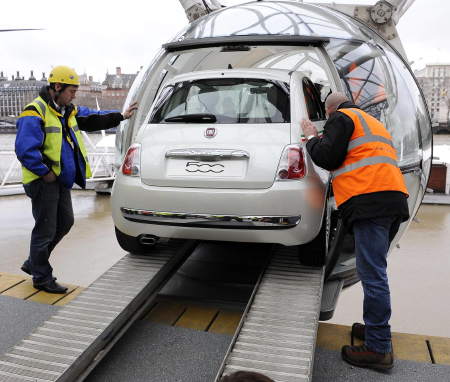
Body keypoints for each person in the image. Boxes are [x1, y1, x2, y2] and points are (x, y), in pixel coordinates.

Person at [301, 92, 409, 370]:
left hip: (370, 203)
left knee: (373, 276)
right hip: (392, 200)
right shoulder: (370, 121)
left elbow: (327, 157)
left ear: (330, 109)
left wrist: (312, 137)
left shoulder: (341, 117)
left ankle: (378, 348)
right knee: (375, 271)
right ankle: (375, 331)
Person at [15, 65, 138, 294]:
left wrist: (121, 116)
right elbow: (24, 150)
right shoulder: (34, 111)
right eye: (71, 91)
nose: (74, 95)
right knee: (45, 229)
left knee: (65, 222)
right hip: (43, 182)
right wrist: (45, 172)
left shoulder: (66, 110)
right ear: (57, 87)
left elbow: (92, 118)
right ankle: (42, 277)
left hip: (59, 180)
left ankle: (34, 262)